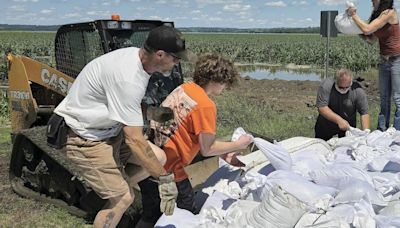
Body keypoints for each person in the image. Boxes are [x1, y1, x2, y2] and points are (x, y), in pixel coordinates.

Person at [50, 25, 191, 227]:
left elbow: (123, 101)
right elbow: (134, 140)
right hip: (83, 137)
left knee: (158, 157)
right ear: (160, 54)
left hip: (106, 130)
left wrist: (150, 113)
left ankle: (109, 191)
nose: (177, 63)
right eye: (175, 58)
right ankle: (115, 195)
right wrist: (166, 181)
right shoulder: (128, 79)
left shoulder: (135, 59)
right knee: (124, 198)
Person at [134, 53, 253, 227]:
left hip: (149, 162)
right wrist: (238, 144)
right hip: (170, 170)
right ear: (217, 80)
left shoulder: (183, 89)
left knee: (150, 213)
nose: (225, 88)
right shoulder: (205, 105)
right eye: (226, 83)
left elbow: (189, 132)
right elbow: (207, 148)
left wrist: (225, 154)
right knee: (186, 214)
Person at [347, 0, 400, 131]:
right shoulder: (379, 16)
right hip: (384, 61)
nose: (371, 2)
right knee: (384, 98)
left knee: (398, 98)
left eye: (374, 0)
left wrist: (354, 15)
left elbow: (367, 29)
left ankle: (397, 133)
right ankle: (382, 130)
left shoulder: (389, 13)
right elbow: (371, 39)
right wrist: (354, 30)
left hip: (397, 60)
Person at [315, 69, 370, 140]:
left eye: (347, 87)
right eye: (341, 87)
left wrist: (366, 132)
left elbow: (364, 113)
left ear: (351, 82)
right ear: (335, 81)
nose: (344, 89)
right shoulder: (326, 86)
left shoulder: (358, 90)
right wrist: (339, 120)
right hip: (326, 125)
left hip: (347, 127)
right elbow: (322, 108)